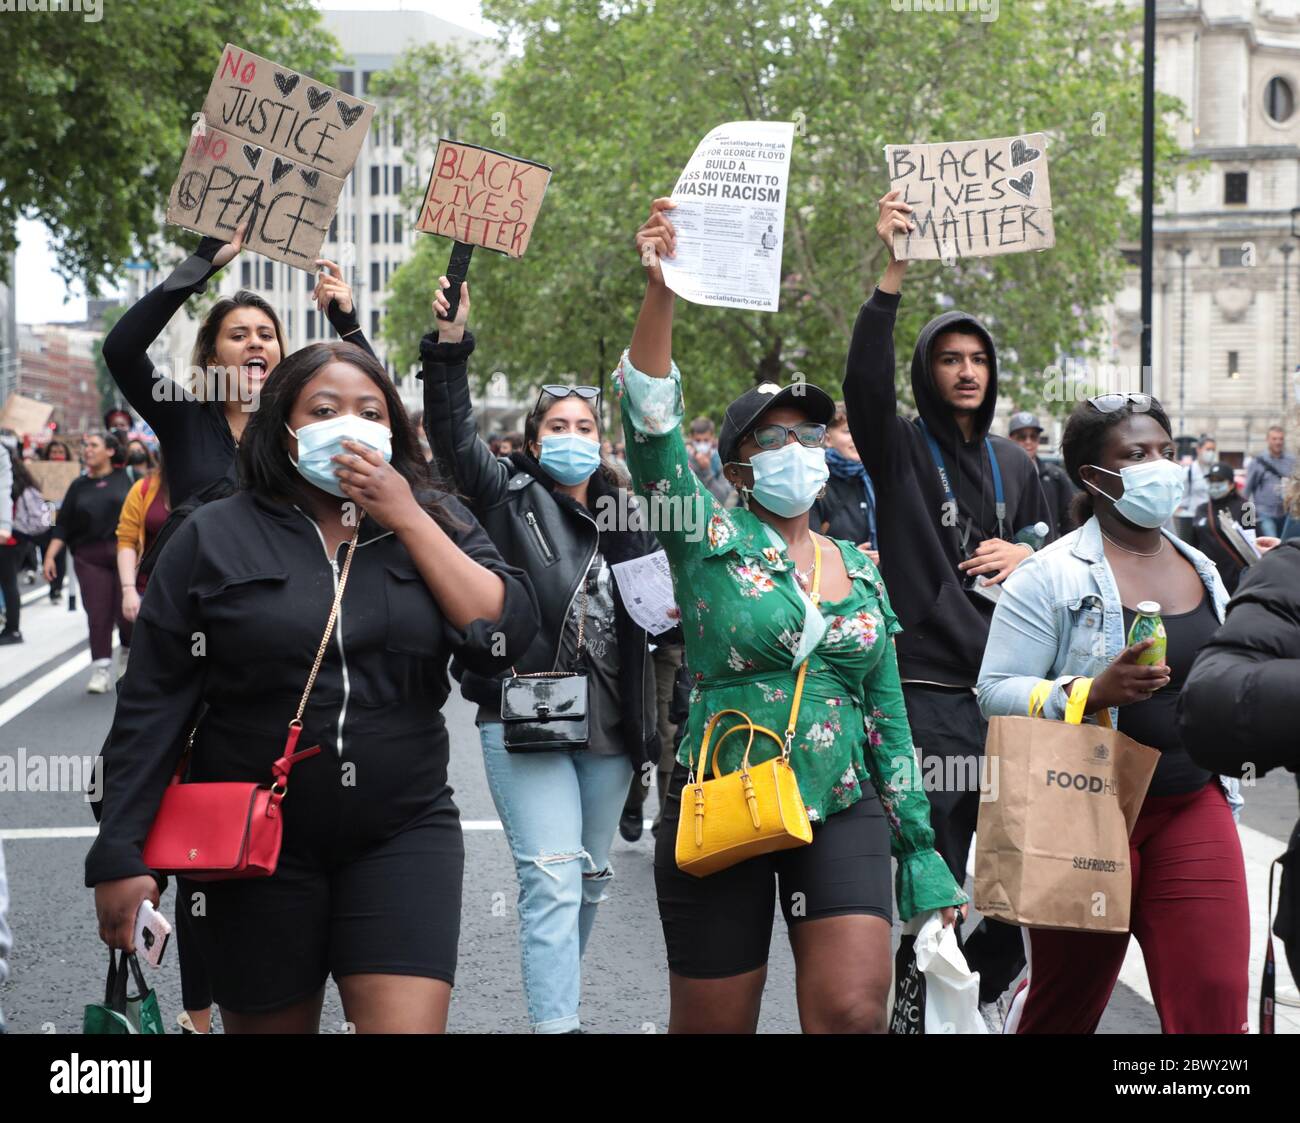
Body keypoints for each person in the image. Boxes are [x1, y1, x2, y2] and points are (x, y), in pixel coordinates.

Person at [86, 341, 536, 1034]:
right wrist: (119, 849)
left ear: (393, 430)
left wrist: (407, 513)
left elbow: (506, 632)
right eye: (324, 410)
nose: (348, 424)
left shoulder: (433, 518)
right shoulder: (212, 534)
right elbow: (152, 703)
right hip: (251, 847)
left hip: (403, 832)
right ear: (284, 427)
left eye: (369, 410)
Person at [620, 198, 963, 1034]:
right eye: (773, 439)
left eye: (810, 433)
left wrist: (919, 849)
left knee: (854, 1011)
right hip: (725, 789)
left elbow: (887, 716)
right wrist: (662, 290)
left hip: (841, 804)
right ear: (736, 468)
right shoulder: (700, 533)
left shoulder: (860, 569)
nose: (798, 450)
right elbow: (652, 425)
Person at [421, 277, 660, 1034]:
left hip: (613, 728)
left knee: (587, 881)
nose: (572, 434)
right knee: (552, 880)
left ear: (601, 438)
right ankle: (559, 1027)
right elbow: (454, 437)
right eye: (556, 423)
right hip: (525, 715)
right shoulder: (505, 492)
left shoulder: (631, 515)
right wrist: (450, 350)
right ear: (531, 440)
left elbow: (660, 625)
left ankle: (560, 1000)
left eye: (584, 424)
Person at [841, 190, 1052, 1022]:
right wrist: (891, 273)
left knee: (1011, 888)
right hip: (927, 697)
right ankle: (916, 1001)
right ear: (929, 370)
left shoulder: (1017, 461)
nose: (967, 370)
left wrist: (1032, 553)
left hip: (1011, 699)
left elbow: (1071, 560)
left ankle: (982, 1000)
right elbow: (862, 381)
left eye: (979, 359)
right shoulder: (896, 447)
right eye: (949, 358)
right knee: (936, 877)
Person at [977, 393, 1249, 1034]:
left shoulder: (1203, 567)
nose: (1162, 466)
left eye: (1165, 451)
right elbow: (993, 691)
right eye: (1138, 454)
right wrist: (1088, 693)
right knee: (1066, 1004)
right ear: (1096, 478)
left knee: (1214, 995)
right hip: (1083, 812)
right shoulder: (1048, 575)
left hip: (1190, 801)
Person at [101, 223, 371, 516]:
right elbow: (121, 351)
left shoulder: (303, 427)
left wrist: (349, 327)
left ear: (279, 356)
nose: (255, 343)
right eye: (239, 336)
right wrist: (200, 265)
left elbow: (377, 411)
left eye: (266, 336)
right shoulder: (183, 418)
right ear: (212, 359)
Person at [43, 433, 133, 692]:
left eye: (94, 445)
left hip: (123, 554)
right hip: (88, 556)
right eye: (85, 445)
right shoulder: (78, 485)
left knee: (126, 613)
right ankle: (101, 670)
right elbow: (62, 524)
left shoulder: (125, 480)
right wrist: (50, 556)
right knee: (97, 612)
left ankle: (126, 653)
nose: (87, 450)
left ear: (110, 452)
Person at [812, 402, 879, 565]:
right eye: (848, 431)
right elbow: (805, 545)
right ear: (827, 439)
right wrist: (847, 556)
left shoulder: (874, 479)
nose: (858, 436)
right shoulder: (815, 484)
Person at [115, 446, 170, 638]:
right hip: (148, 589)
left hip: (193, 592)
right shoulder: (143, 488)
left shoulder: (210, 487)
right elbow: (127, 540)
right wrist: (128, 590)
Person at [3, 447, 50, 645]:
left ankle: (13, 629)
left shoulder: (10, 486)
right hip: (19, 540)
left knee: (9, 584)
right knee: (9, 584)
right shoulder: (24, 482)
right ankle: (12, 628)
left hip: (9, 540)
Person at [1008, 410, 1075, 540]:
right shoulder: (1000, 476)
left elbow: (1070, 522)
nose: (1028, 442)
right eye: (1022, 437)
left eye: (1034, 436)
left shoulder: (1055, 477)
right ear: (1011, 439)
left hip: (1048, 554)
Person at [1191, 461, 1255, 595]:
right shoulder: (1201, 509)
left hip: (1236, 577)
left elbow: (1253, 543)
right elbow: (1193, 543)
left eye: (1219, 480)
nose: (1214, 484)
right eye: (1211, 480)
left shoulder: (1247, 508)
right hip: (1207, 576)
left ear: (1231, 484)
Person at [1244, 426, 1295, 539]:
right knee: (1272, 545)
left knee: (1285, 545)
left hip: (1286, 513)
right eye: (1274, 439)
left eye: (1281, 439)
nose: (1278, 442)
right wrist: (1245, 517)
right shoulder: (1257, 462)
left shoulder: (1292, 461)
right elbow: (1247, 490)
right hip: (1265, 513)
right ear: (1267, 440)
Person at [1171, 433, 1215, 541]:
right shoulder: (1188, 472)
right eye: (1208, 449)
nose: (1211, 453)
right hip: (1193, 522)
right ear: (1199, 449)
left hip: (1212, 521)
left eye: (1213, 450)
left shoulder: (1215, 471)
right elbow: (1179, 500)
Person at [686, 416, 733, 505]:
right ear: (691, 438)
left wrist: (706, 471)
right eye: (698, 440)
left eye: (706, 440)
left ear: (712, 438)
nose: (702, 444)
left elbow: (722, 497)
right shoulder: (685, 458)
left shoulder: (720, 460)